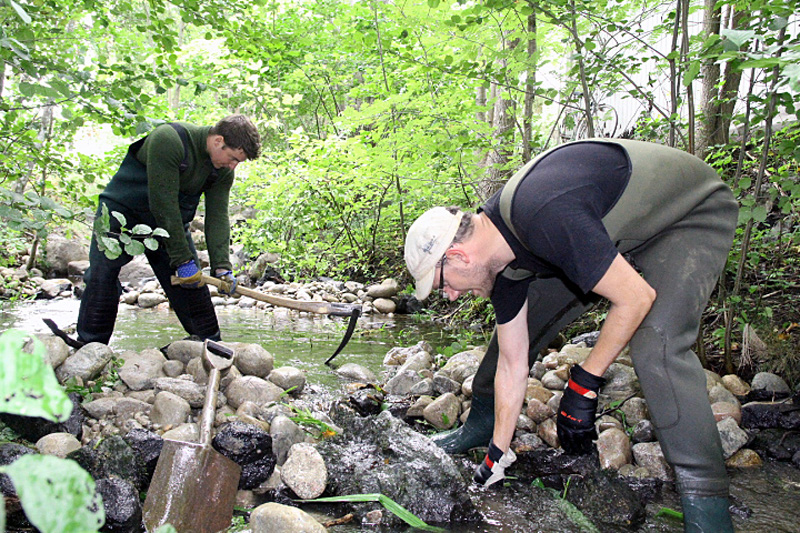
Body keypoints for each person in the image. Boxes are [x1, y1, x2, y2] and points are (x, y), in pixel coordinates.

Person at [404, 139, 737, 532]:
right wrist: (497, 452)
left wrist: (585, 382)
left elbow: (635, 297)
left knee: (656, 345)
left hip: (687, 215)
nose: (451, 295)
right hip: (612, 232)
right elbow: (512, 363)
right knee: (514, 334)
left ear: (459, 257)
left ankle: (708, 508)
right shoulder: (504, 257)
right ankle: (481, 427)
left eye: (443, 284)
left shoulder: (543, 215)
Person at [76, 114, 261, 346]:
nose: (233, 166)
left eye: (238, 162)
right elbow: (163, 204)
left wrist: (222, 267)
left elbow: (217, 216)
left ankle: (207, 344)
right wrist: (183, 261)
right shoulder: (170, 140)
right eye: (233, 158)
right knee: (102, 276)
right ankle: (90, 347)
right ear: (217, 141)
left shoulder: (222, 169)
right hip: (121, 215)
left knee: (193, 285)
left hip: (169, 226)